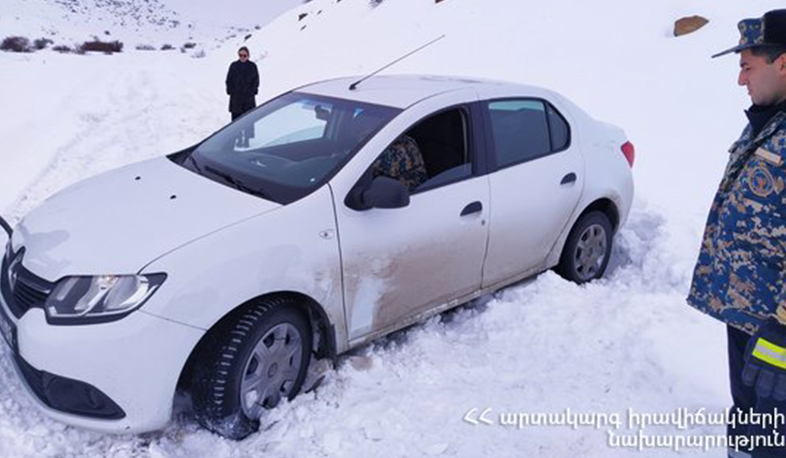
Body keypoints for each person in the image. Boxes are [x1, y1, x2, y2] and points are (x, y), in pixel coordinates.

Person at [687, 9, 786, 458]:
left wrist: (782, 329)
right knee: (748, 426)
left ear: (782, 63)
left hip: (778, 333)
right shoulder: (766, 121)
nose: (740, 80)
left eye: (747, 66)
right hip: (749, 317)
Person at [225, 46, 260, 121]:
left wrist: (252, 92)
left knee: (249, 122)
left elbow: (256, 81)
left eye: (244, 55)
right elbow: (228, 80)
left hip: (248, 101)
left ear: (248, 55)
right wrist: (231, 91)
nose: (242, 57)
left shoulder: (252, 66)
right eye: (240, 55)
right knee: (235, 125)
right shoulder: (233, 66)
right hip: (236, 101)